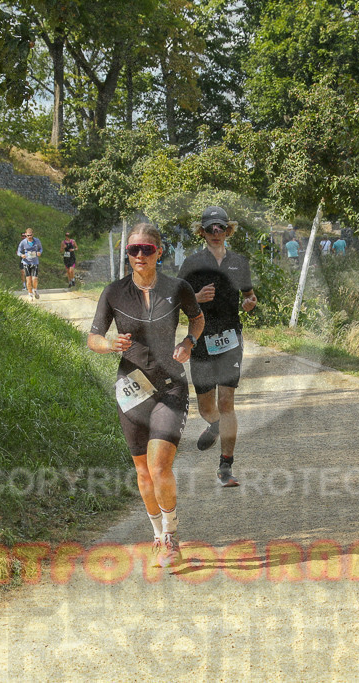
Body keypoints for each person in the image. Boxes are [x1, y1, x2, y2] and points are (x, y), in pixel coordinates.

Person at [87, 222, 204, 568]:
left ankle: (171, 537)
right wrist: (109, 344)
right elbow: (94, 338)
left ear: (159, 252)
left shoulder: (178, 287)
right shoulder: (113, 292)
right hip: (132, 388)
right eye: (133, 250)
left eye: (146, 249)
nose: (139, 255)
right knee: (142, 472)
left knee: (158, 465)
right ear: (127, 254)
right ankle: (156, 535)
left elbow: (197, 320)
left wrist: (188, 342)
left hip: (171, 386)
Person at [178, 206, 257, 488]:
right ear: (202, 231)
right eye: (210, 228)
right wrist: (196, 298)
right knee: (206, 406)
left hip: (230, 338)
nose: (215, 233)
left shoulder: (238, 263)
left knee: (227, 403)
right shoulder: (191, 263)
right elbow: (177, 301)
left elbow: (249, 296)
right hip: (200, 337)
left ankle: (226, 466)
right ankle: (213, 425)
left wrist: (250, 304)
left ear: (228, 230)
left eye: (220, 228)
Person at [18, 230, 43, 299]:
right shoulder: (23, 242)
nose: (29, 237)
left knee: (34, 279)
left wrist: (39, 252)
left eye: (30, 235)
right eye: (28, 235)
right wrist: (21, 255)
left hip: (35, 262)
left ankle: (35, 290)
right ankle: (30, 294)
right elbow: (18, 251)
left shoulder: (37, 241)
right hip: (26, 262)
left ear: (33, 234)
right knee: (28, 280)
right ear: (26, 235)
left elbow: (41, 248)